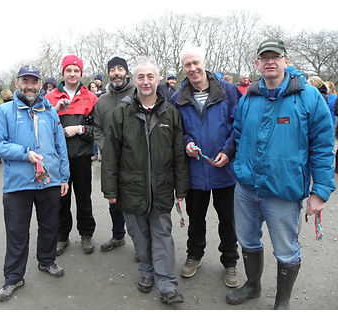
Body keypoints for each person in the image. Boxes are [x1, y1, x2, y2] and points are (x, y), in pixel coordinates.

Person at [226, 39, 336, 310]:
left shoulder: (308, 96)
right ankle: (253, 285)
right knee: (248, 239)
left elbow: (323, 146)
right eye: (265, 58)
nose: (270, 62)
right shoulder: (249, 97)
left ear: (286, 61)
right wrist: (232, 159)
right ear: (257, 64)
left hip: (284, 191)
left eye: (276, 57)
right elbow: (238, 134)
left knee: (286, 249)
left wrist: (320, 191)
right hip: (247, 187)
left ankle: (282, 302)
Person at [101, 58, 190, 304]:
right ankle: (147, 271)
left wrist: (181, 187)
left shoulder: (170, 113)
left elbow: (178, 154)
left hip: (161, 188)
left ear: (158, 79)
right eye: (141, 77)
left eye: (150, 76)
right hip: (131, 188)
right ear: (134, 80)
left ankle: (167, 283)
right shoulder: (122, 111)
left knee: (162, 234)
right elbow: (110, 153)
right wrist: (109, 189)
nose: (146, 81)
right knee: (139, 235)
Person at [0, 65, 70, 302]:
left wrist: (64, 176)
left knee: (49, 226)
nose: (30, 86)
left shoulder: (49, 111)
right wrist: (26, 153)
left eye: (34, 81)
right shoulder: (4, 111)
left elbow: (59, 144)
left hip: (50, 182)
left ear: (40, 84)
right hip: (18, 184)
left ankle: (46, 261)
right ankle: (13, 277)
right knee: (16, 232)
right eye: (25, 81)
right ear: (17, 84)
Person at [169, 44, 241, 288]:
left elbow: (238, 125)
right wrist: (187, 143)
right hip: (195, 170)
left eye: (195, 63)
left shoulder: (229, 91)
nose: (192, 68)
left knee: (228, 219)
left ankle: (230, 262)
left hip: (224, 169)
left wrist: (228, 151)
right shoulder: (177, 99)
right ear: (183, 68)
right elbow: (177, 131)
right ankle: (194, 255)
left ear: (204, 63)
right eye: (187, 65)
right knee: (195, 216)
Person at [45, 55, 97, 255]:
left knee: (84, 197)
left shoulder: (91, 97)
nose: (72, 74)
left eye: (76, 70)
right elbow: (42, 126)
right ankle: (62, 236)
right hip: (58, 158)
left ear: (81, 73)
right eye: (69, 70)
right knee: (60, 199)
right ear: (63, 72)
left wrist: (80, 129)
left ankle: (86, 234)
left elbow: (98, 129)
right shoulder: (50, 99)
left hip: (82, 156)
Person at [94, 56, 135, 252]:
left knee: (137, 201)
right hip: (111, 160)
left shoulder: (139, 94)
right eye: (113, 70)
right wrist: (106, 149)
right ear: (109, 73)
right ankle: (118, 236)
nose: (116, 73)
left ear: (126, 72)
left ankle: (141, 243)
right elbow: (97, 128)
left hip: (137, 159)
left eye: (120, 69)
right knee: (113, 199)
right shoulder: (102, 101)